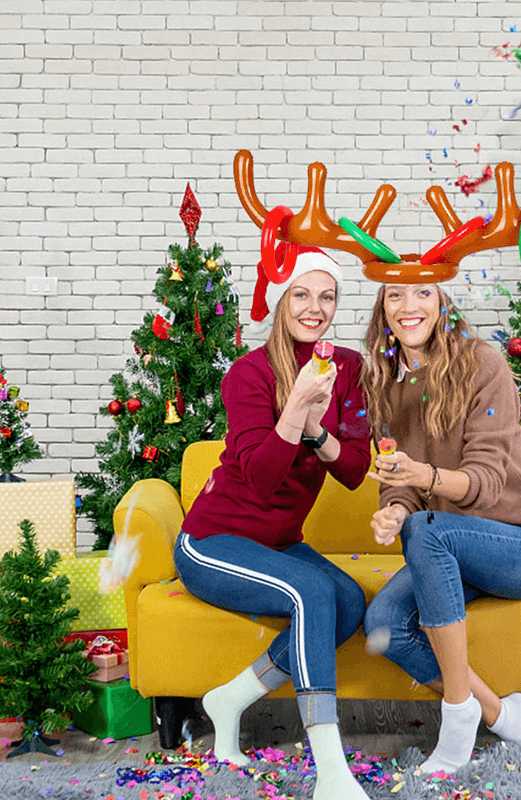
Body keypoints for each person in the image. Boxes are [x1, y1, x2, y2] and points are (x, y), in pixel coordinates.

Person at [174, 244, 372, 800]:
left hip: (278, 542)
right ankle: (332, 771)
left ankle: (230, 698)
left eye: (327, 296)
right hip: (212, 542)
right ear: (282, 300)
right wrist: (294, 411)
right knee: (312, 591)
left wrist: (316, 430)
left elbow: (355, 470)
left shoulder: (349, 370)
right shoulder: (248, 375)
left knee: (349, 603)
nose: (315, 307)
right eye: (302, 295)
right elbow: (260, 479)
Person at [361, 282, 521, 776]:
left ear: (443, 303)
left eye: (422, 292)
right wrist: (395, 510)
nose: (408, 307)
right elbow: (400, 483)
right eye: (394, 296)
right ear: (382, 309)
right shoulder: (383, 381)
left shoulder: (485, 364)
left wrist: (420, 483)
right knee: (383, 625)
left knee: (428, 529)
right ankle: (505, 716)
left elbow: (484, 481)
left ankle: (457, 717)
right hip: (451, 545)